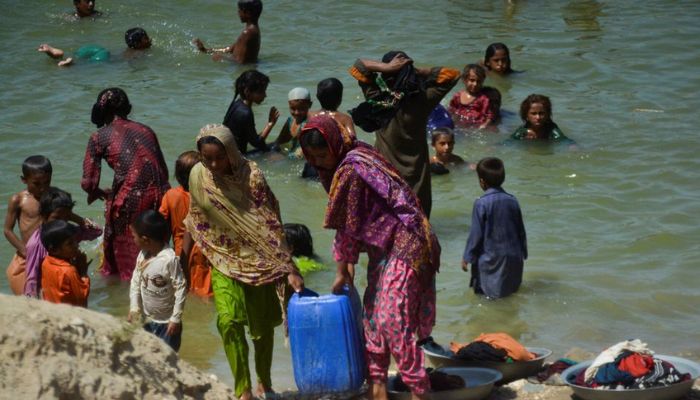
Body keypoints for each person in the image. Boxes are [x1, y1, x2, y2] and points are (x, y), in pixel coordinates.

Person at [299, 116, 440, 400]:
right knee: (373, 317)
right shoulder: (354, 154)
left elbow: (348, 227)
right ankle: (378, 388)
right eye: (311, 157)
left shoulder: (350, 169)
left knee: (392, 319)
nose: (318, 162)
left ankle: (418, 390)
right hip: (383, 247)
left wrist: (342, 270)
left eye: (322, 154)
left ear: (334, 145)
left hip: (406, 242)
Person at [183, 124, 304, 400]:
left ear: (232, 153)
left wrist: (289, 266)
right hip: (222, 258)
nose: (213, 164)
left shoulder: (252, 177)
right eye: (207, 158)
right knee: (228, 322)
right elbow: (195, 216)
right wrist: (184, 258)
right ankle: (243, 390)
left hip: (259, 261)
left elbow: (270, 222)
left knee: (260, 330)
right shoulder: (198, 175)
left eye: (219, 157)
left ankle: (265, 382)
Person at [349, 51, 460, 217]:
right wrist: (416, 70)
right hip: (417, 182)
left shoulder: (377, 98)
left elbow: (359, 67)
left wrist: (387, 67)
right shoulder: (422, 100)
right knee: (418, 233)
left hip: (384, 179)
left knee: (387, 232)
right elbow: (453, 75)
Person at [81, 87, 170, 281]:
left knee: (125, 258)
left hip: (132, 199)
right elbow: (162, 170)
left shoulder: (99, 136)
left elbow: (88, 183)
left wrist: (97, 192)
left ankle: (121, 295)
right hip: (164, 194)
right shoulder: (146, 129)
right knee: (156, 248)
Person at [462, 157, 527, 299]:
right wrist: (524, 252)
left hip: (490, 260)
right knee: (510, 295)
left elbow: (476, 235)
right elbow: (520, 230)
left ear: (482, 182)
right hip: (514, 257)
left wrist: (467, 256)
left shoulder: (481, 203)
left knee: (488, 298)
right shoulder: (513, 200)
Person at [24, 187, 101, 298]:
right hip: (51, 292)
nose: (61, 222)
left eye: (66, 217)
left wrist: (76, 218)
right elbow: (32, 279)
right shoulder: (35, 244)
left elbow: (96, 232)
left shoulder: (67, 233)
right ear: (43, 217)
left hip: (70, 284)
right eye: (56, 217)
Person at [128, 210, 186, 351]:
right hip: (147, 319)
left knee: (167, 357)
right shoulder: (142, 255)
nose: (133, 240)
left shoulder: (168, 259)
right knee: (147, 354)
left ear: (145, 239)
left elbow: (181, 288)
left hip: (167, 324)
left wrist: (176, 318)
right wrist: (134, 307)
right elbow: (135, 282)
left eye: (134, 236)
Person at [159, 151, 212, 298]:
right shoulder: (207, 197)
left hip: (181, 251)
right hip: (205, 253)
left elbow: (160, 227)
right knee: (205, 292)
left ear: (176, 174)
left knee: (184, 290)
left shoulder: (170, 196)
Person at [4, 156, 52, 295]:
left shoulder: (53, 196)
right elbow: (7, 230)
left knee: (50, 294)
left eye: (47, 182)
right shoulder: (18, 200)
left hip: (50, 253)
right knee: (25, 294)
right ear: (24, 180)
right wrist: (24, 251)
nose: (43, 188)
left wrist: (82, 222)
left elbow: (65, 213)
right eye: (36, 183)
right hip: (27, 255)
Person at [222, 70, 279, 155]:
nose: (265, 95)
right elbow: (257, 143)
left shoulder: (236, 103)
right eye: (261, 92)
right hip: (236, 158)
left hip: (225, 152)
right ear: (247, 92)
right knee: (276, 148)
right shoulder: (246, 113)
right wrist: (270, 123)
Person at [38, 27, 150, 67]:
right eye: (146, 38)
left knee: (77, 57)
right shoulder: (138, 52)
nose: (149, 40)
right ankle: (70, 63)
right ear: (139, 44)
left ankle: (59, 54)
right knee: (82, 64)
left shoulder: (127, 49)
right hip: (105, 58)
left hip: (100, 50)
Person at [193, 0, 263, 64]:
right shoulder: (252, 30)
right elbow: (229, 50)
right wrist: (205, 50)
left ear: (247, 13)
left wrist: (221, 58)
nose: (238, 12)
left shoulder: (248, 33)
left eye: (239, 10)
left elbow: (240, 62)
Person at [40, 220, 91, 307]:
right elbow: (81, 299)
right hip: (69, 315)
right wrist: (83, 272)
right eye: (70, 243)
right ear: (54, 250)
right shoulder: (69, 271)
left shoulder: (46, 262)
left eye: (75, 241)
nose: (76, 245)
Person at [448, 64, 495, 129]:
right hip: (459, 125)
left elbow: (489, 115)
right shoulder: (457, 96)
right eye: (472, 80)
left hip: (475, 126)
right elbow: (451, 109)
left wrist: (485, 124)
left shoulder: (483, 99)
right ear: (464, 80)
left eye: (479, 81)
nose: (475, 84)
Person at [272, 87, 312, 158]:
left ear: (310, 105)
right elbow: (279, 141)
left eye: (301, 108)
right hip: (292, 155)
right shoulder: (290, 121)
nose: (297, 112)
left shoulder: (310, 124)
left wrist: (282, 158)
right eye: (293, 108)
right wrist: (273, 152)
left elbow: (303, 152)